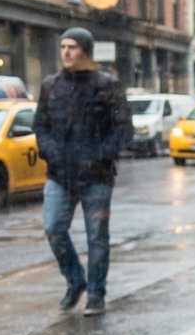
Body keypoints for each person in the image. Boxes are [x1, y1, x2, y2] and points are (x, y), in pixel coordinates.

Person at [33, 28, 132, 316]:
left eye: (72, 47)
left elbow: (124, 130)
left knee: (97, 237)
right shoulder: (50, 85)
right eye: (63, 46)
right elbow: (40, 126)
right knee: (53, 228)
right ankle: (76, 281)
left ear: (85, 51)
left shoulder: (108, 85)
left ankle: (96, 294)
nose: (66, 52)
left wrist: (99, 156)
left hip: (96, 176)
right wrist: (51, 152)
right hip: (59, 174)